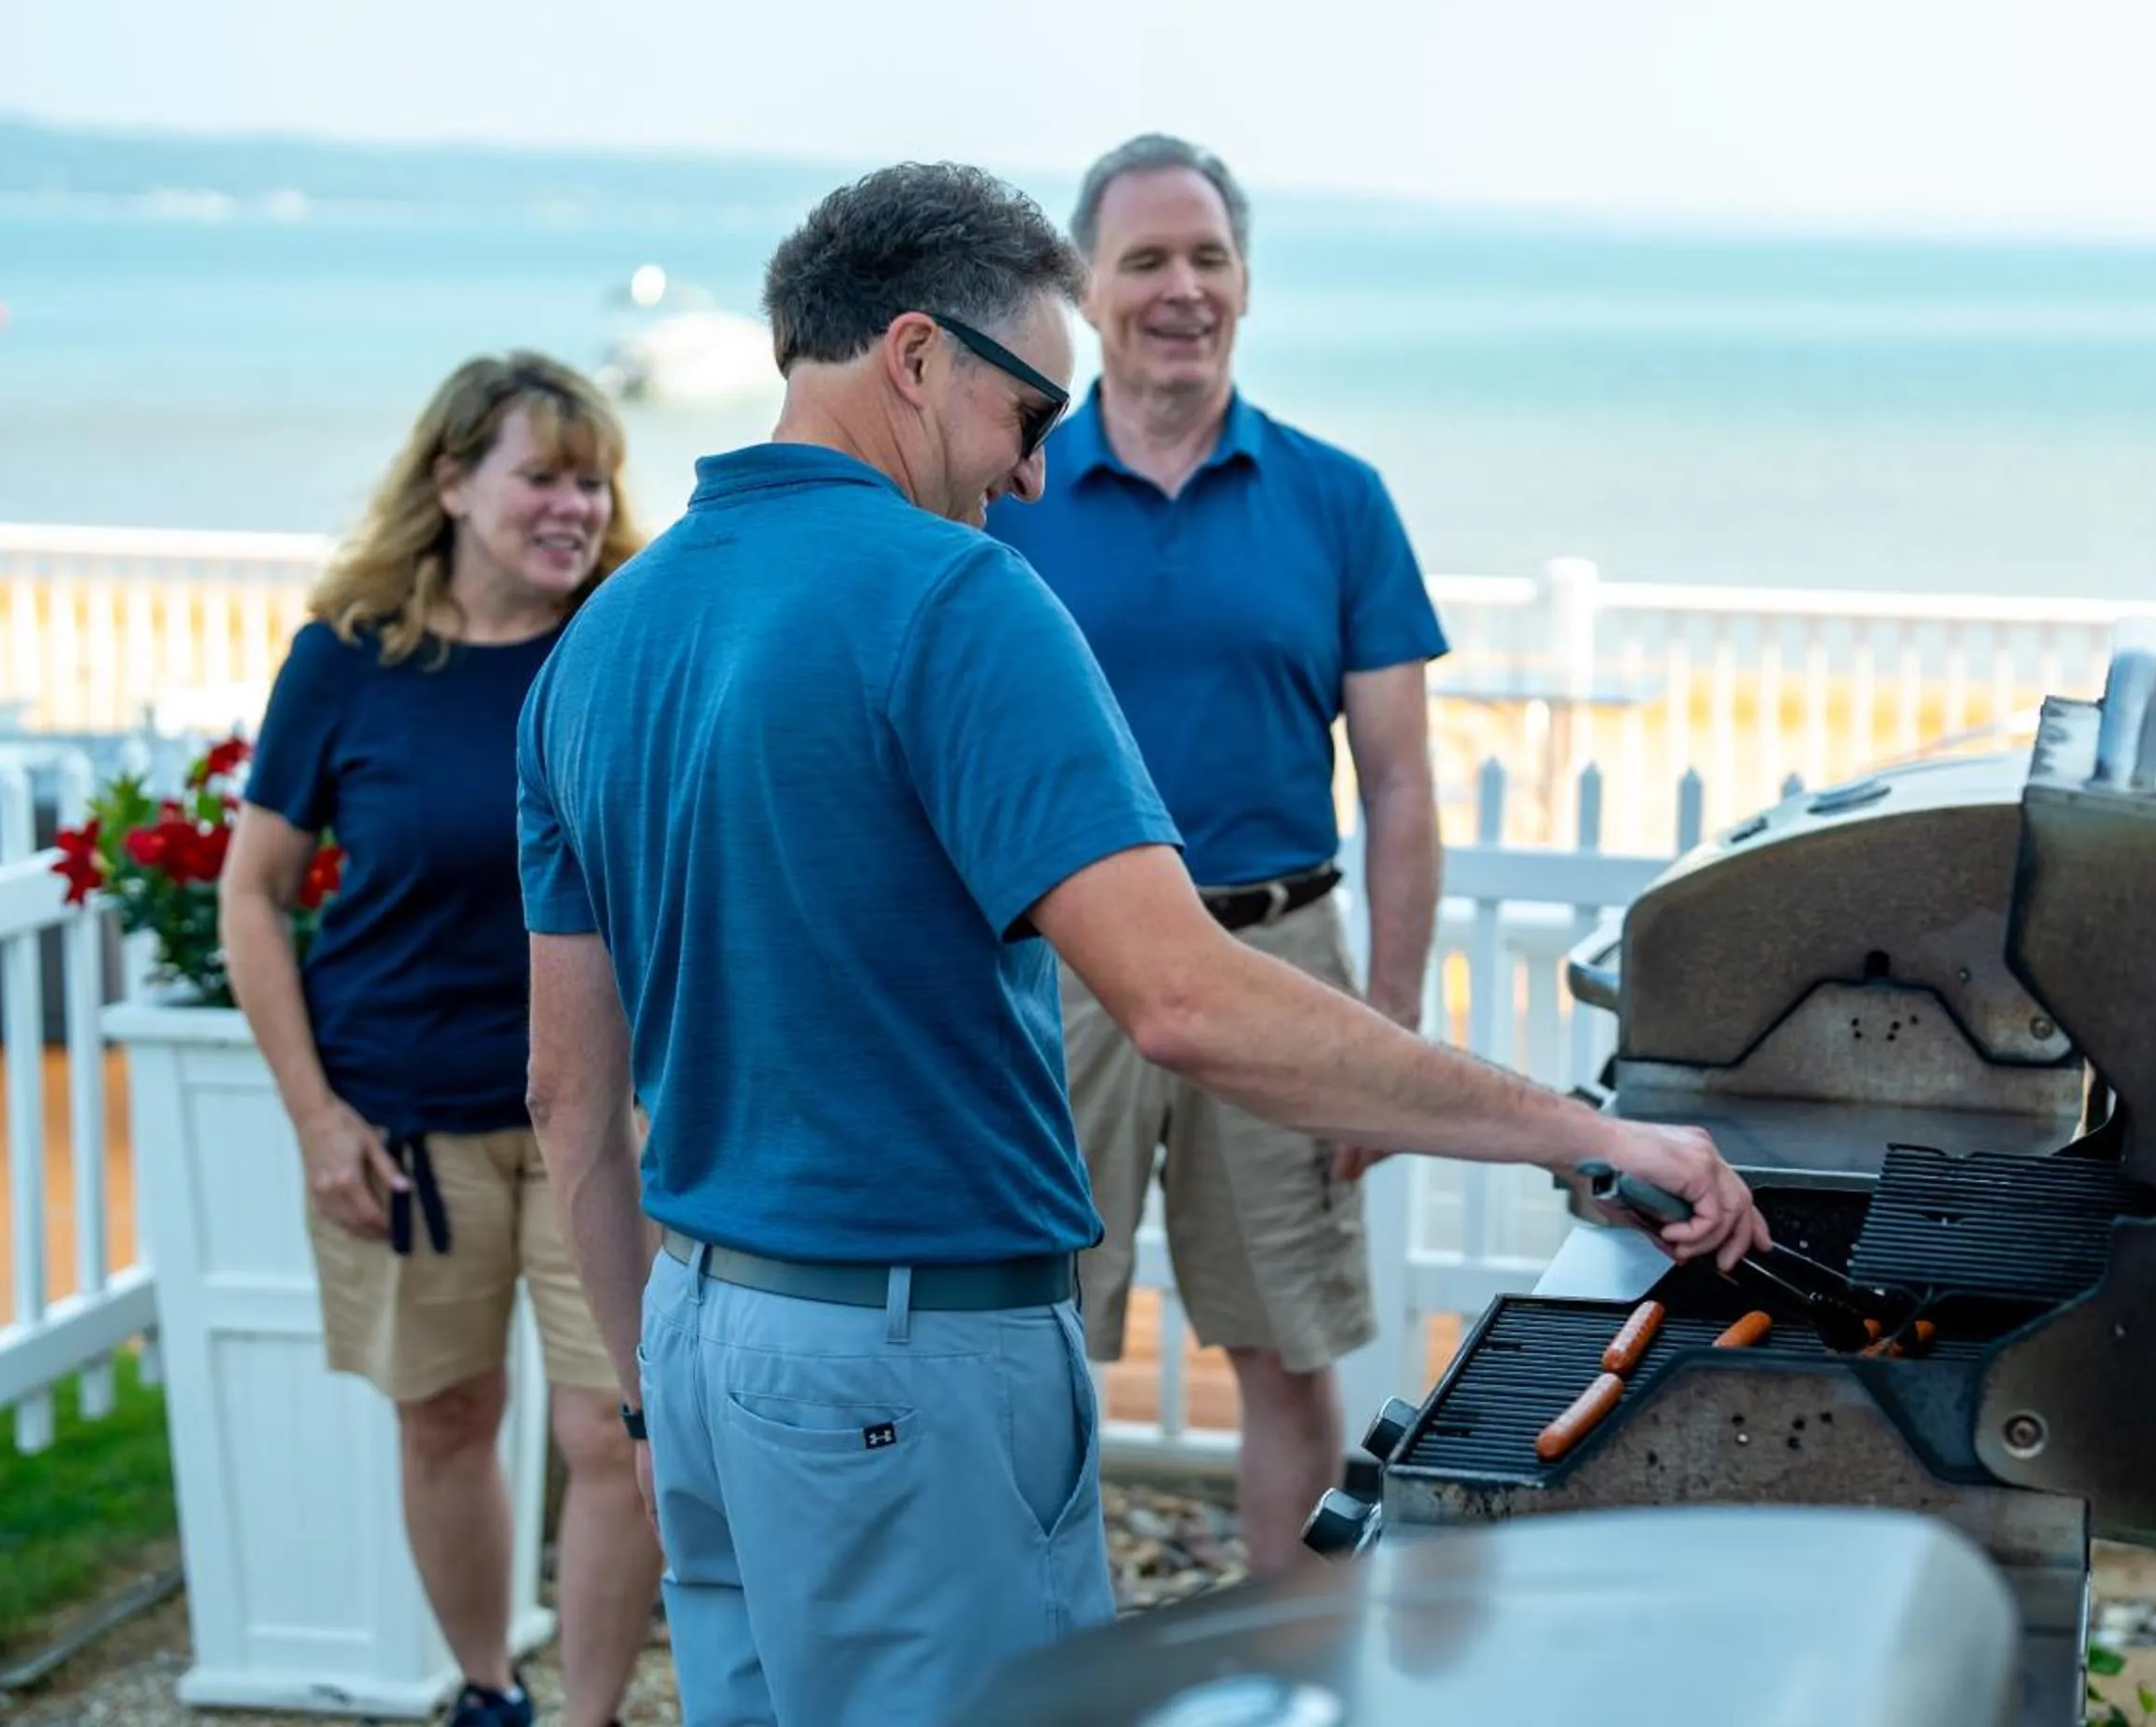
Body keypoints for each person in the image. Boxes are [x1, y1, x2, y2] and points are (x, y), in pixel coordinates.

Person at [515, 160, 1765, 1725]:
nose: (1036, 475)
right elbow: (1181, 998)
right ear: (915, 358)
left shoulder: (601, 643)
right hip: (910, 1359)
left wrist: (649, 1377)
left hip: (702, 1338)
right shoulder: (960, 599)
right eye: (1030, 415)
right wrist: (1577, 1130)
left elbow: (570, 1090)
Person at [986, 132, 1445, 1571]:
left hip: (1278, 956)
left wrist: (1390, 1024)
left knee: (1287, 1354)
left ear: (1244, 282)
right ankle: (1032, 1663)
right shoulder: (1013, 488)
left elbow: (1400, 779)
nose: (1182, 289)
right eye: (1146, 260)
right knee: (1026, 1337)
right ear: (1084, 288)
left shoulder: (1338, 498)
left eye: (1208, 257)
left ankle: (1290, 1674)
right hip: (1064, 969)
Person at [219, 352, 660, 1727]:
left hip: (607, 1117)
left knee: (615, 1431)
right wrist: (315, 1118)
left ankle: (588, 1716)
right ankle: (488, 1695)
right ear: (453, 483)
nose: (575, 506)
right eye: (543, 475)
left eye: (593, 480)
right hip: (405, 1115)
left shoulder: (632, 640)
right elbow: (252, 890)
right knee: (447, 1416)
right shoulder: (348, 662)